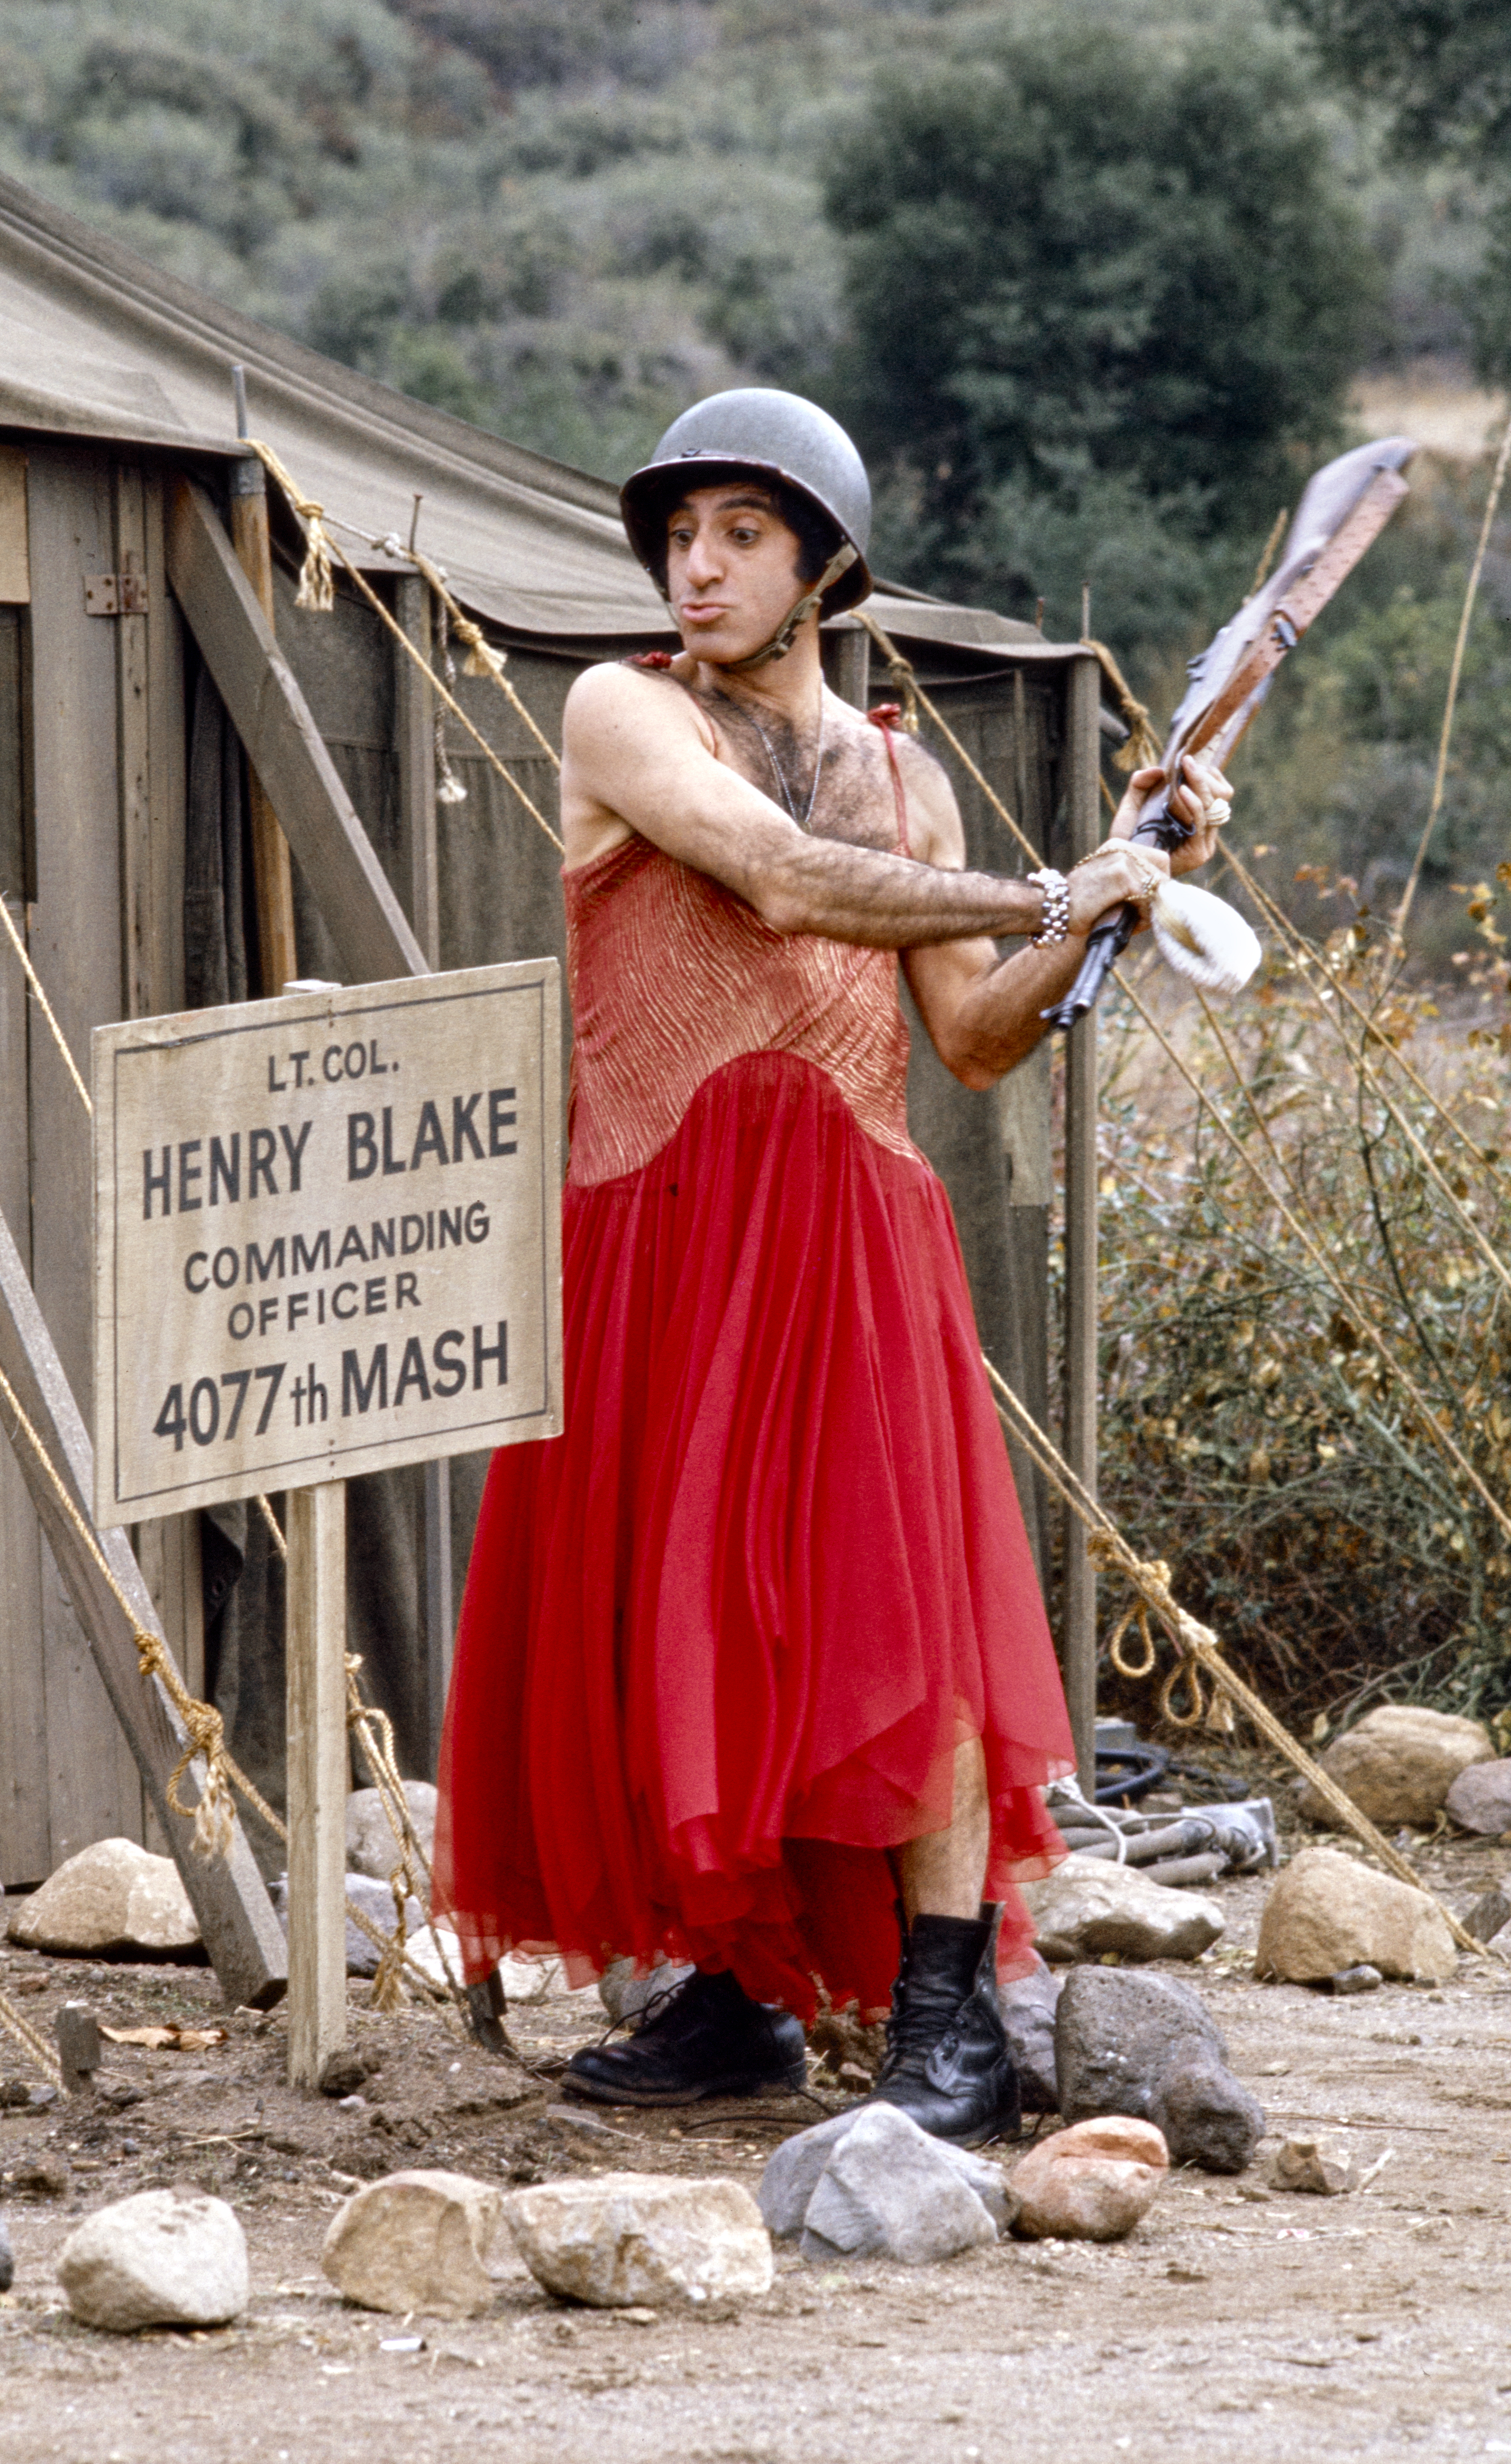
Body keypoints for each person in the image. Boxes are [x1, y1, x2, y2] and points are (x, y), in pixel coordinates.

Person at [433, 389, 1232, 2144]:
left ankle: (942, 2005)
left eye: (740, 532)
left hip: (855, 1231)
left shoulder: (901, 772)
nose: (695, 563)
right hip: (661, 1228)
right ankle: (739, 1998)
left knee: (904, 1616)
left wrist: (1127, 892)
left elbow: (971, 1042)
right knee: (684, 1620)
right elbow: (783, 882)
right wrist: (1054, 884)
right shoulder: (621, 707)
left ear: (822, 566)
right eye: (679, 531)